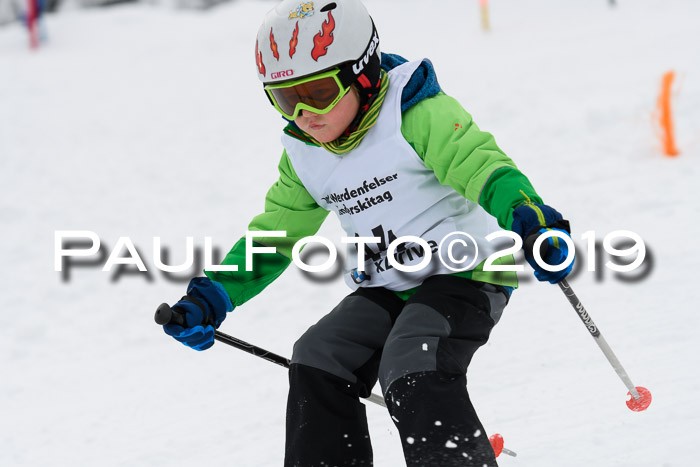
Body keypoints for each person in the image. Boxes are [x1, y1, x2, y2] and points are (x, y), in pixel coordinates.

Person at [161, 0, 574, 465]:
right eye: (284, 99)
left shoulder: (415, 113)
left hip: (468, 271)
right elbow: (276, 233)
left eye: (316, 93)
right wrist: (214, 295)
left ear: (361, 72)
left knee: (410, 359)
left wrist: (529, 215)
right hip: (388, 282)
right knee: (316, 357)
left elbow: (480, 165)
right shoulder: (304, 154)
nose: (303, 115)